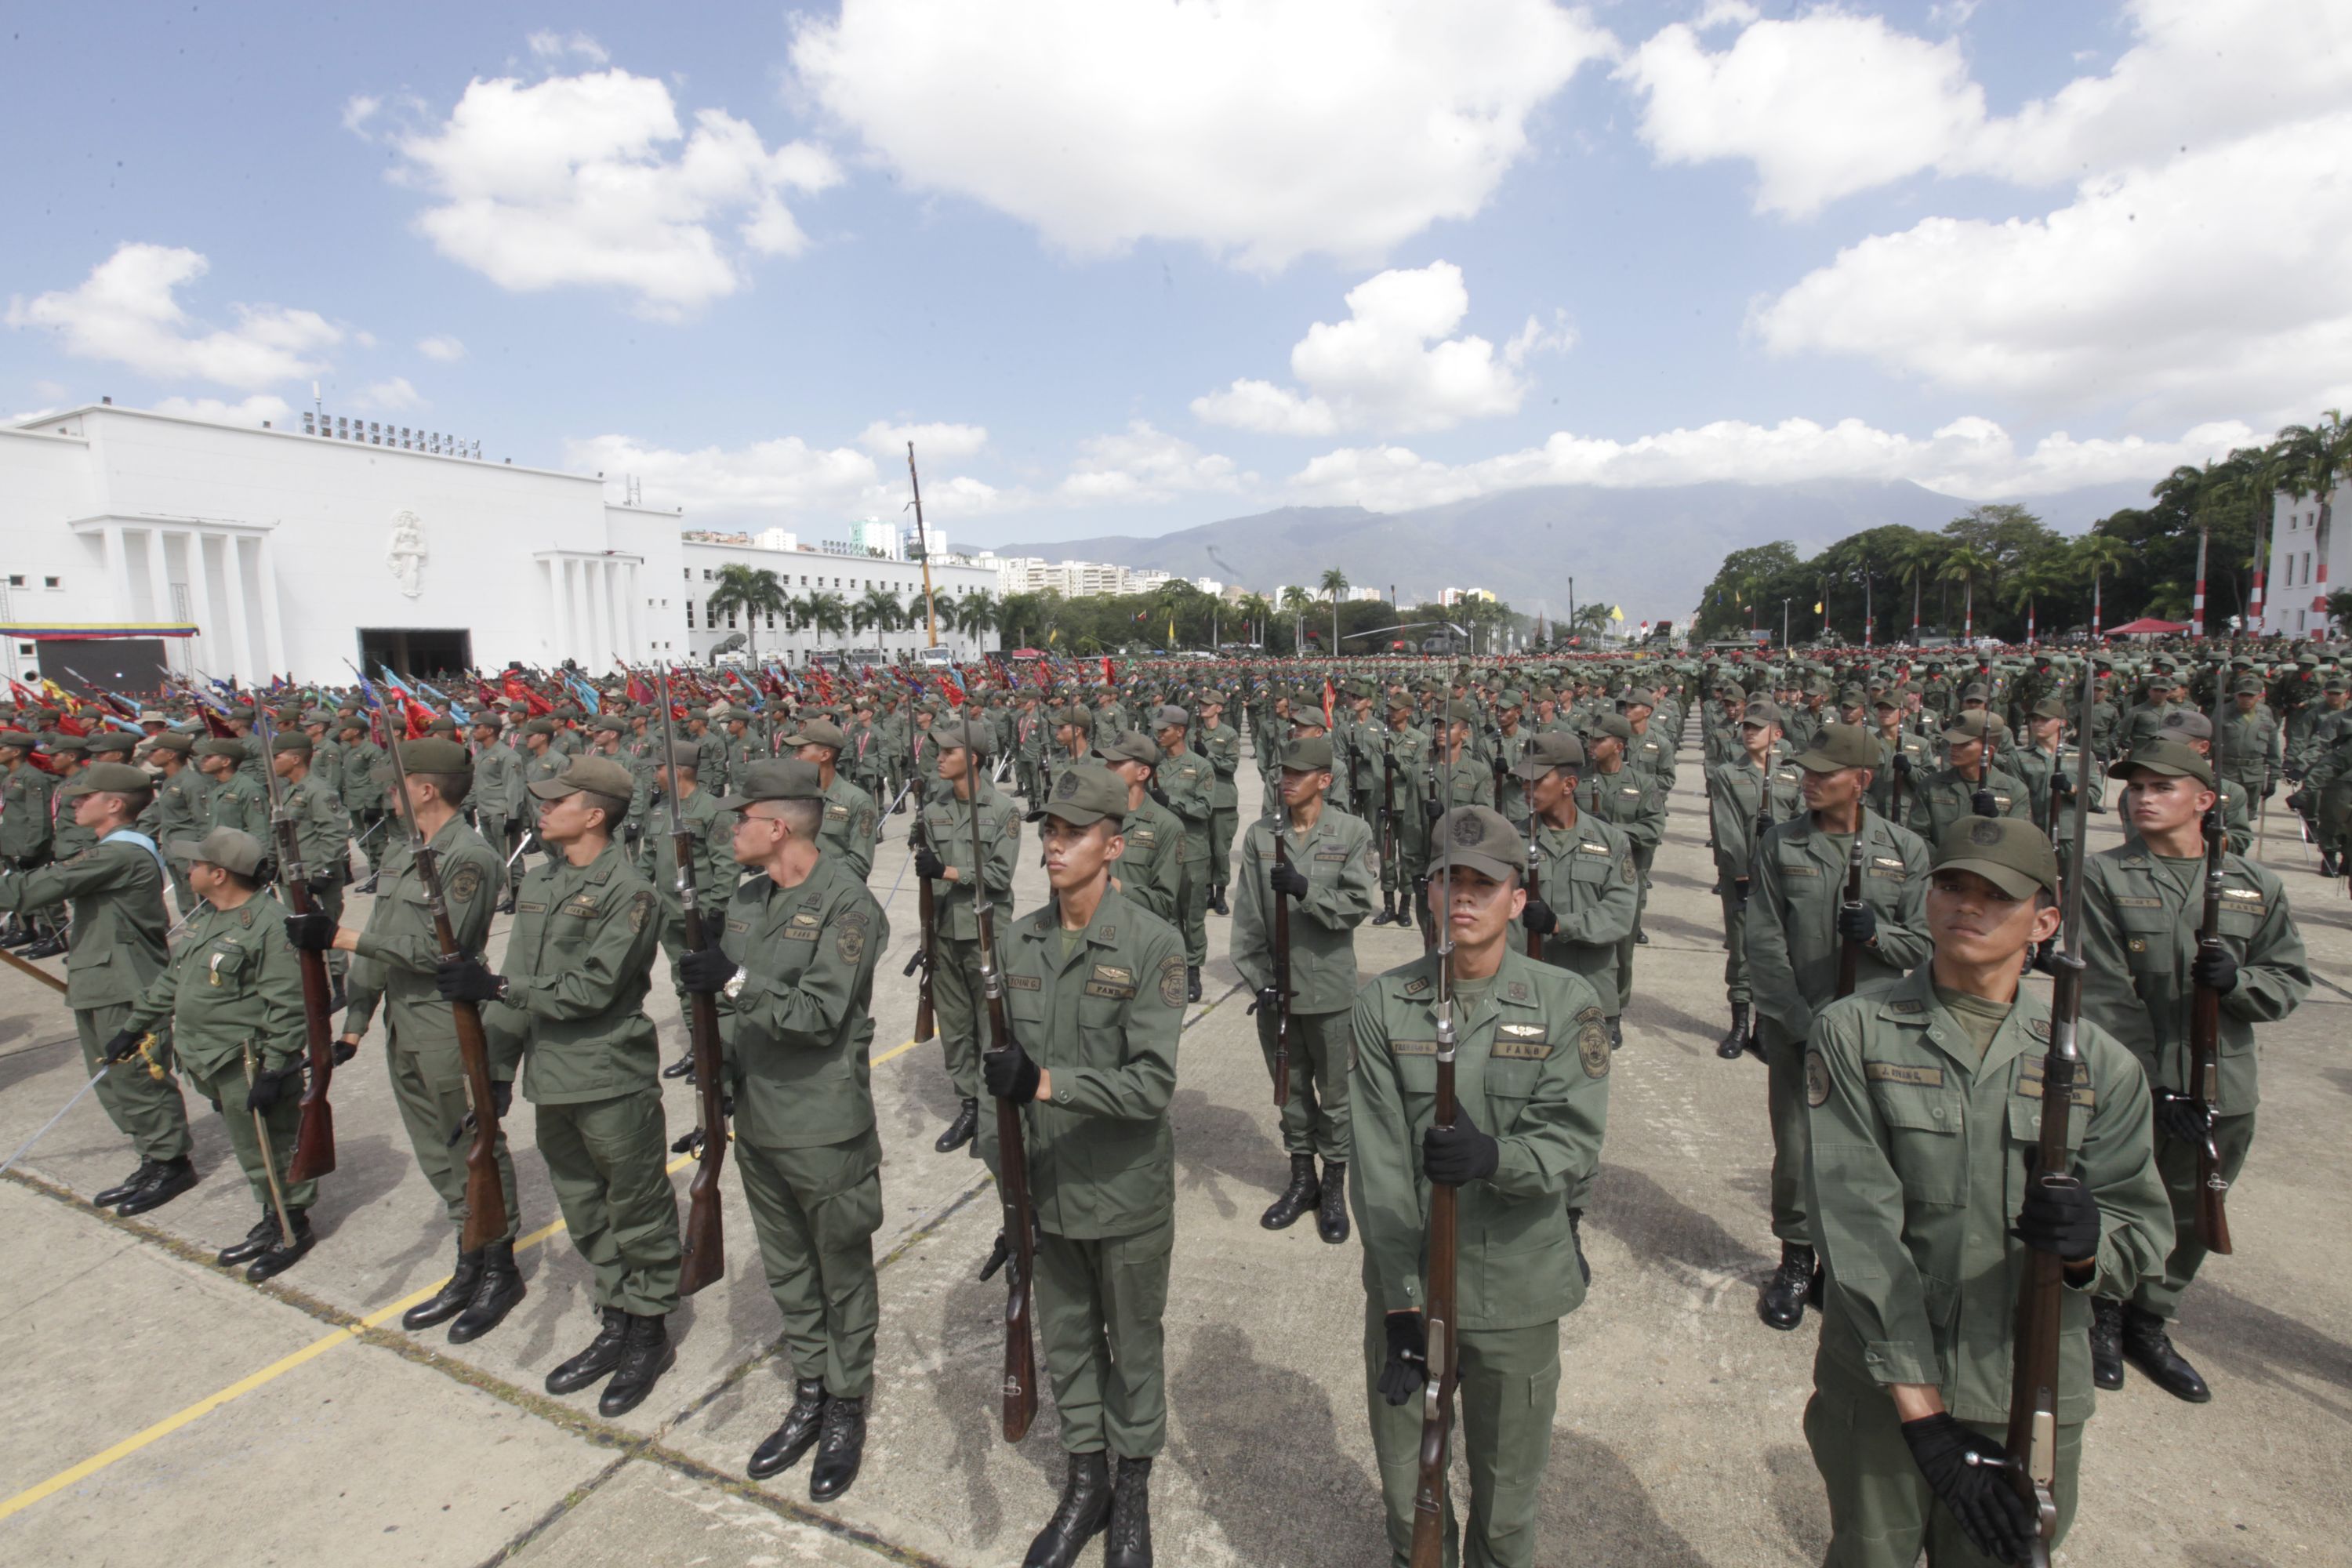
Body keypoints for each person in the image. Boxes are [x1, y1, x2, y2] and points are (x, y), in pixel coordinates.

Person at [1803, 816, 2172, 1566]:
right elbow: (1856, 1222)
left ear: (2043, 922)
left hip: (2027, 1386)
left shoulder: (2099, 1062)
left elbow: (2142, 1225)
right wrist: (1923, 1413)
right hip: (1886, 1386)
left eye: (1994, 896)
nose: (1965, 906)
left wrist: (2085, 1248)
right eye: (1951, 885)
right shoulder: (1856, 1031)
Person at [1351, 805, 1610, 1568]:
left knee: (1506, 1501)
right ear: (1427, 892)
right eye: (1447, 881)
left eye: (1481, 883)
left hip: (1516, 1289)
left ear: (1517, 898)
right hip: (1412, 1287)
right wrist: (1401, 1303)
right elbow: (1379, 1166)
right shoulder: (1385, 1003)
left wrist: (1495, 1156)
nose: (1462, 898)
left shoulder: (1566, 1003)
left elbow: (1574, 1143)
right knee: (1410, 1492)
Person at [434, 755, 681, 1417]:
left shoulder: (629, 892)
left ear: (594, 814)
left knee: (637, 1205)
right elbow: (516, 987)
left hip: (607, 1075)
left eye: (555, 802)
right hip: (552, 1075)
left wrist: (498, 987)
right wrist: (495, 1072)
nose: (541, 810)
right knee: (583, 1205)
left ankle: (649, 1327)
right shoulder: (541, 885)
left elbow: (594, 989)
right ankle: (617, 1315)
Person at [991, 764, 1185, 1568]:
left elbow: (1150, 1083)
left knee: (1133, 1344)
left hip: (1124, 1187)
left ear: (1115, 843)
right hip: (1047, 1186)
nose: (1055, 844)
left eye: (1072, 832)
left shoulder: (1151, 943)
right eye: (1049, 829)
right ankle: (1086, 1481)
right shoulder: (1019, 937)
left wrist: (1043, 1082)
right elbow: (993, 1076)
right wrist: (1007, 1190)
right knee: (1067, 1338)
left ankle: (1131, 1487)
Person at [677, 760, 887, 1501]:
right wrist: (716, 1090)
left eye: (741, 818)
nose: (729, 828)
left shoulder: (848, 906)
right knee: (790, 1271)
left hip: (821, 1124)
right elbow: (731, 1018)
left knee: (840, 1272)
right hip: (760, 1121)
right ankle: (809, 1387)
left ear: (777, 826)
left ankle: (845, 1404)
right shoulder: (746, 899)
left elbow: (816, 1015)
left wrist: (733, 980)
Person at [2075, 739, 2309, 1402]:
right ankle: (2104, 1312)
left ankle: (2152, 1319)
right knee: (2118, 1197)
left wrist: (2240, 982)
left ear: (2204, 802)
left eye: (2161, 788)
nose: (2143, 798)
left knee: (2195, 1208)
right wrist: (2156, 1082)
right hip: (2134, 1080)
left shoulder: (2252, 884)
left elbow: (2288, 979)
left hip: (2223, 1079)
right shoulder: (2104, 876)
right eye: (2136, 787)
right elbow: (2105, 991)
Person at [295, 736, 524, 1341]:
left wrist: (340, 940)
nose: (387, 794)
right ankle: (468, 1250)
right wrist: (354, 1024)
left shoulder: (467, 857)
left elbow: (438, 951)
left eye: (397, 784)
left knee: (471, 1146)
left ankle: (497, 1264)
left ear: (425, 789)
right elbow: (382, 938)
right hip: (403, 1023)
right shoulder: (404, 852)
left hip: (447, 1026)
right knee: (435, 1148)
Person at [1744, 723, 1932, 1331]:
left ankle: (1853, 1264)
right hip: (1799, 1027)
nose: (1812, 781)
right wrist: (1798, 1019)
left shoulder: (1906, 850)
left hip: (1881, 1031)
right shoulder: (1781, 845)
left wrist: (1880, 934)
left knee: (1874, 1154)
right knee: (1797, 1150)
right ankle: (1797, 1262)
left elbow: (1927, 941)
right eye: (1808, 771)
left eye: (1827, 773)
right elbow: (1764, 940)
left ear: (1863, 780)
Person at [123, 826, 321, 1278]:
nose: (187, 870)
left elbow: (287, 1004)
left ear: (219, 874)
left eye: (196, 864)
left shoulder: (269, 925)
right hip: (209, 1058)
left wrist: (275, 1069)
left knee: (270, 1146)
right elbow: (175, 979)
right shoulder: (208, 915)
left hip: (246, 1062)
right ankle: (272, 1217)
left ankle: (292, 1225)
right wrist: (135, 1027)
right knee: (249, 1147)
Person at [0, 760, 195, 1214]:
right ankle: (154, 1155)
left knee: (137, 1077)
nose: (75, 804)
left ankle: (171, 1163)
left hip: (124, 981)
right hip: (101, 977)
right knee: (113, 1081)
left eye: (85, 798)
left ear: (113, 804)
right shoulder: (109, 849)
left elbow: (37, 888)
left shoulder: (120, 853)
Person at [1229, 734, 1377, 1242]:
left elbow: (1358, 903)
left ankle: (1334, 1187)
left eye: (1296, 774)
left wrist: (1307, 890)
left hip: (1331, 990)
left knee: (1335, 1095)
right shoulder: (1261, 837)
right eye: (1281, 773)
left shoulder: (1351, 832)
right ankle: (1302, 1180)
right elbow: (1247, 918)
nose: (1285, 781)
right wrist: (1259, 980)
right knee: (1290, 1093)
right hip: (1279, 989)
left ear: (1324, 780)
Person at [913, 718, 1022, 1155]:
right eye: (938, 752)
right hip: (942, 931)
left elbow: (998, 875)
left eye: (949, 752)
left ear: (972, 759)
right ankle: (969, 1105)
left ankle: (994, 1113)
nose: (939, 758)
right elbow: (923, 860)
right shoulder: (934, 806)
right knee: (956, 1029)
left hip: (985, 933)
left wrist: (947, 871)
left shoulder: (1002, 811)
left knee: (989, 1025)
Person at [1706, 702, 1803, 1058]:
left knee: (1778, 950)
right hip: (1744, 874)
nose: (1749, 732)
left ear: (1776, 735)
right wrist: (1741, 870)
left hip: (1785, 874)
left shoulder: (1794, 774)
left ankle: (1765, 1025)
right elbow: (1726, 827)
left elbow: (1806, 819)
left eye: (1757, 728)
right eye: (1746, 726)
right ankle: (1740, 1025)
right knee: (1742, 949)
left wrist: (1781, 833)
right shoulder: (1728, 774)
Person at [639, 746, 738, 1082]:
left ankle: (722, 1049)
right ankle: (700, 1047)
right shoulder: (659, 811)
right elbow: (646, 863)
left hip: (704, 915)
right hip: (670, 914)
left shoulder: (712, 809)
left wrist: (717, 910)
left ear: (679, 770)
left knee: (717, 984)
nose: (655, 774)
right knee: (684, 984)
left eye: (660, 768)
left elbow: (726, 863)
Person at [1151, 705, 1214, 1002]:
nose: (1159, 734)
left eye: (1165, 729)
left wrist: (1170, 801)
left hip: (1192, 851)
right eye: (1158, 729)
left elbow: (1204, 810)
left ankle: (1193, 969)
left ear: (1180, 731)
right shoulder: (1155, 766)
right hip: (1163, 852)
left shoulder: (1201, 766)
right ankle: (1173, 963)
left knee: (1193, 915)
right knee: (1168, 913)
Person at [1098, 731, 1183, 922]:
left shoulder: (1167, 826)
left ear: (1143, 772)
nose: (1107, 768)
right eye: (1107, 762)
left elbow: (1165, 903)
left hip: (1138, 934)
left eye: (1117, 763)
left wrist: (1113, 885)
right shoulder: (1094, 817)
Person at [782, 717, 879, 881]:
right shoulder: (792, 798)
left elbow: (860, 864)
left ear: (825, 754)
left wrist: (810, 869)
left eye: (801, 750)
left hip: (836, 897)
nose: (795, 757)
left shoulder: (857, 801)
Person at [1197, 695, 1242, 914]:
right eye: (1201, 704)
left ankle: (1221, 893)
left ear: (1219, 708)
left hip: (1223, 800)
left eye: (1207, 704)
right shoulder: (1194, 734)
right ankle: (1207, 892)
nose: (1202, 707)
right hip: (1200, 800)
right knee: (1203, 849)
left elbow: (1231, 766)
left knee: (1221, 851)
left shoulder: (1229, 734)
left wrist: (1208, 755)